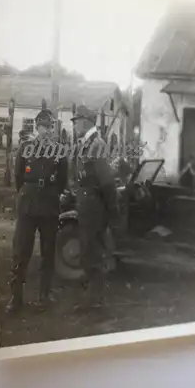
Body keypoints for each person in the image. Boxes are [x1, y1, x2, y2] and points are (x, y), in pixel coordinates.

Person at [6, 108, 68, 314]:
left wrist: (51, 194)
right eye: (42, 127)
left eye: (49, 127)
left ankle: (44, 295)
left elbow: (62, 180)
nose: (46, 131)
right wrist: (27, 193)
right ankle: (15, 298)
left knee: (48, 252)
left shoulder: (59, 150)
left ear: (53, 129)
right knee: (21, 251)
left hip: (49, 206)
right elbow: (18, 177)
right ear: (37, 127)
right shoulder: (25, 147)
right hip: (28, 205)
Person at [71, 105, 124, 308]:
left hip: (94, 209)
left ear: (86, 121)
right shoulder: (87, 144)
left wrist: (112, 214)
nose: (75, 125)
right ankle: (92, 299)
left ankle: (95, 301)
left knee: (93, 253)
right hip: (87, 206)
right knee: (88, 251)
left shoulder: (97, 144)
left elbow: (107, 183)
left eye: (76, 121)